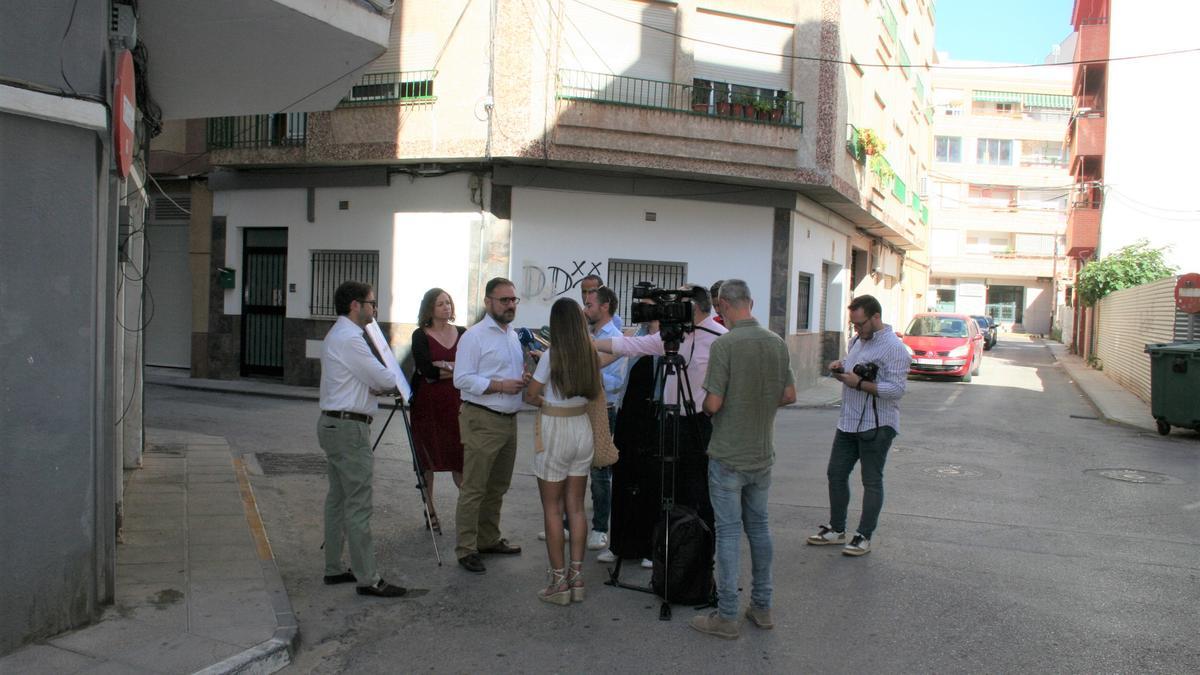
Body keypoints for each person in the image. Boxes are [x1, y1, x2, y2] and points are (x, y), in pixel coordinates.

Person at [689, 280, 795, 639]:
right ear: (750, 302)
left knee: (729, 533)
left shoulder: (725, 345)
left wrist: (706, 404)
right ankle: (762, 607)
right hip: (761, 454)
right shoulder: (776, 343)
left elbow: (713, 404)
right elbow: (789, 394)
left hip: (728, 456)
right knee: (760, 529)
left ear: (721, 306)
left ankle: (728, 615)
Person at [594, 284, 726, 527]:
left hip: (699, 423)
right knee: (664, 483)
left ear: (692, 307)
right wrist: (591, 343)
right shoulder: (673, 335)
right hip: (667, 420)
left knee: (697, 487)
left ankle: (699, 546)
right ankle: (664, 542)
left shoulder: (721, 338)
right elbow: (631, 346)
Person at [317, 281, 407, 598]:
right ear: (356, 305)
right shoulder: (351, 339)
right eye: (371, 302)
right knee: (357, 504)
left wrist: (376, 384)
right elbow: (384, 378)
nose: (375, 308)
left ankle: (333, 568)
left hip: (335, 424)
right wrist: (383, 384)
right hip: (348, 428)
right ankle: (368, 578)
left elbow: (369, 380)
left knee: (338, 499)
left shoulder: (339, 335)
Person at [807, 294, 911, 556]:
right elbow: (852, 369)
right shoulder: (857, 341)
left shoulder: (895, 349)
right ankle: (836, 529)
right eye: (853, 324)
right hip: (849, 421)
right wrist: (839, 367)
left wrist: (861, 384)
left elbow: (897, 390)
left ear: (876, 317)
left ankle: (863, 536)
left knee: (871, 481)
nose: (857, 330)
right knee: (836, 474)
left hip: (877, 425)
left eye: (860, 324)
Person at [524, 298, 602, 605]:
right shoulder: (590, 353)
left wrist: (542, 397)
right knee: (577, 507)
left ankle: (558, 583)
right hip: (582, 428)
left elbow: (531, 396)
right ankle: (577, 577)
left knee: (552, 509)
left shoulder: (550, 355)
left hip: (555, 430)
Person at [452, 277, 528, 573]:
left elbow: (508, 375)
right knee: (474, 487)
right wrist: (498, 385)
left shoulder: (511, 335)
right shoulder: (475, 336)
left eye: (513, 300)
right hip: (483, 419)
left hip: (509, 421)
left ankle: (488, 538)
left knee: (497, 485)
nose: (510, 305)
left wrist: (522, 381)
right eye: (504, 300)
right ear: (488, 302)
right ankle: (466, 548)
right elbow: (462, 378)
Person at [409, 288, 466, 535]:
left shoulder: (463, 333)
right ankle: (429, 508)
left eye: (448, 303)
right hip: (427, 404)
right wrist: (453, 369)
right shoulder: (420, 335)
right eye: (441, 303)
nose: (447, 307)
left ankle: (468, 512)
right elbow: (425, 370)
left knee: (460, 456)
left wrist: (444, 367)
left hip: (456, 403)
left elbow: (468, 367)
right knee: (427, 457)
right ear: (430, 308)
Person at [582, 286, 626, 561]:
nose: (586, 309)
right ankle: (566, 523)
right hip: (580, 407)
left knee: (600, 470)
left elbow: (616, 382)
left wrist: (586, 374)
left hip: (604, 409)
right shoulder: (587, 335)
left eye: (589, 304)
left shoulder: (617, 339)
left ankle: (600, 528)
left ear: (605, 306)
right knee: (572, 465)